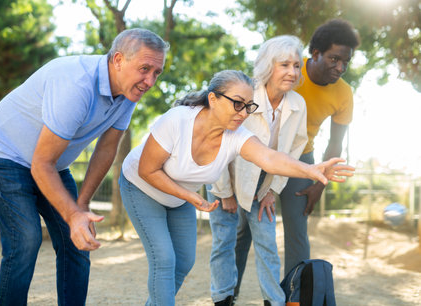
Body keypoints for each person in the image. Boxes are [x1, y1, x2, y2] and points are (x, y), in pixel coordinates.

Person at [119, 69, 354, 306]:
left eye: (249, 106)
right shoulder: (178, 120)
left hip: (180, 198)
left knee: (184, 262)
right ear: (213, 99)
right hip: (142, 187)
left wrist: (310, 170)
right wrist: (189, 196)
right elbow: (147, 170)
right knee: (164, 259)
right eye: (237, 104)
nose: (244, 113)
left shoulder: (236, 135)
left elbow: (270, 158)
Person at [0, 28, 168, 305]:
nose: (150, 81)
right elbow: (41, 164)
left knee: (78, 240)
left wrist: (82, 205)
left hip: (52, 164)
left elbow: (106, 149)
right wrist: (72, 213)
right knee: (26, 240)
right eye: (145, 69)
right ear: (117, 60)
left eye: (157, 73)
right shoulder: (75, 85)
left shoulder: (129, 92)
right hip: (4, 153)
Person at [233, 19, 361, 297]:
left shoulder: (344, 94)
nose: (340, 67)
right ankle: (228, 295)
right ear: (314, 54)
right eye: (334, 59)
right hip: (257, 151)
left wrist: (319, 183)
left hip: (300, 159)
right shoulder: (289, 68)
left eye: (345, 62)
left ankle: (295, 300)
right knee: (241, 230)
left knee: (297, 231)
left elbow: (335, 144)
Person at [207, 35, 308, 306]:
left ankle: (274, 302)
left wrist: (272, 190)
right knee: (224, 244)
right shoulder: (245, 95)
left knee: (268, 246)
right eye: (284, 64)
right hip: (222, 177)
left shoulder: (298, 105)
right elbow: (217, 142)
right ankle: (223, 299)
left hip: (263, 183)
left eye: (296, 65)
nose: (292, 71)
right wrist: (224, 193)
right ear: (267, 65)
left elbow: (293, 153)